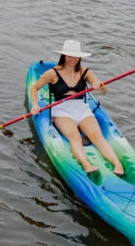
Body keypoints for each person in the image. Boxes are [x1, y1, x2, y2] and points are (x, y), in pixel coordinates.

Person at [28, 40, 124, 176]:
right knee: (75, 137)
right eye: (69, 56)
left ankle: (117, 164)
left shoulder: (85, 72)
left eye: (75, 56)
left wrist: (99, 85)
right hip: (61, 110)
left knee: (97, 136)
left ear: (79, 57)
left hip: (81, 109)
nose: (72, 59)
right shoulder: (53, 73)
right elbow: (34, 88)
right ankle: (87, 165)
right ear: (64, 56)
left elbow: (104, 90)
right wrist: (35, 104)